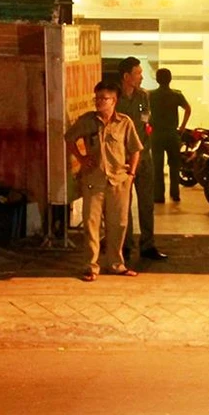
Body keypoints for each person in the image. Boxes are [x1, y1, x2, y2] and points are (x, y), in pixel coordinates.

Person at [65, 81, 142, 282]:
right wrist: (81, 159)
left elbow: (135, 149)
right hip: (94, 180)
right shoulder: (87, 121)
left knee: (118, 224)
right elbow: (69, 138)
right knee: (91, 224)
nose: (99, 102)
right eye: (97, 98)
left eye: (104, 98)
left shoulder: (124, 122)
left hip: (119, 180)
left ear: (114, 100)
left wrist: (131, 174)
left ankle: (116, 264)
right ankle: (91, 266)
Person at [115, 57, 168, 261]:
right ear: (126, 76)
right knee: (123, 205)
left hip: (144, 157)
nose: (141, 77)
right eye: (137, 73)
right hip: (123, 160)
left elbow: (147, 120)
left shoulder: (143, 96)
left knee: (147, 203)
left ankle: (148, 244)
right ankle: (125, 245)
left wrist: (146, 136)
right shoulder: (115, 98)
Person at [149, 68, 191, 203]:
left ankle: (158, 196)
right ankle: (175, 193)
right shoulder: (176, 95)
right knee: (174, 165)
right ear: (170, 79)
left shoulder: (151, 95)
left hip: (156, 134)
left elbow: (144, 112)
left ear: (157, 79)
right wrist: (182, 127)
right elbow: (188, 109)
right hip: (172, 134)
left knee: (157, 166)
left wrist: (147, 124)